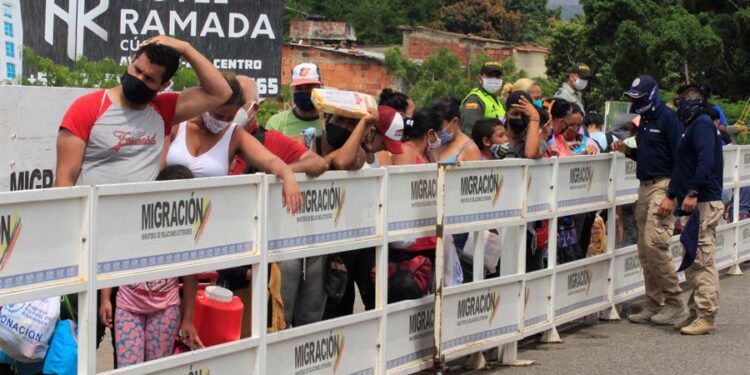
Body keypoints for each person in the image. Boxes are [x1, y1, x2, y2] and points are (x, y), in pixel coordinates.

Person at [54, 35, 231, 354]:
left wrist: (185, 48)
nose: (138, 79)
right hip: (92, 244)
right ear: (130, 62)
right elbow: (64, 181)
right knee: (79, 345)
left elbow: (221, 92)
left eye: (149, 78)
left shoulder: (163, 108)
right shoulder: (87, 108)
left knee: (134, 360)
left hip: (140, 251)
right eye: (136, 69)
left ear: (163, 85)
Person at [221, 76, 327, 332]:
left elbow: (317, 163)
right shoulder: (206, 137)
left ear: (253, 109)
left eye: (235, 102)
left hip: (254, 263)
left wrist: (283, 170)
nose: (223, 109)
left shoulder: (269, 141)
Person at [101, 165, 201, 367]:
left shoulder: (186, 231)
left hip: (165, 310)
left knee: (157, 370)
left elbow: (191, 277)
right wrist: (105, 298)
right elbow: (113, 258)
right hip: (128, 307)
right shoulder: (137, 219)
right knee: (128, 369)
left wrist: (188, 319)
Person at [164, 72, 302, 213]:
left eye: (229, 118)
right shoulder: (177, 124)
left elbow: (270, 160)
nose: (222, 121)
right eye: (218, 115)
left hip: (209, 216)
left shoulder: (234, 134)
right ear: (205, 102)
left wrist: (288, 175)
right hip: (165, 210)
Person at [612, 74, 688, 326]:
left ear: (651, 94)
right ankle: (654, 303)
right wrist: (628, 151)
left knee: (655, 244)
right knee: (644, 250)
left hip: (663, 185)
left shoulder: (668, 119)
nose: (636, 102)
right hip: (645, 186)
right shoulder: (643, 120)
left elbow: (681, 159)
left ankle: (676, 302)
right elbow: (649, 155)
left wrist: (672, 195)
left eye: (639, 97)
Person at [320, 106, 404, 318]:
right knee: (338, 305)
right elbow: (342, 161)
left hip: (362, 237)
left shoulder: (362, 153)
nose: (383, 148)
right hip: (333, 239)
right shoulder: (314, 142)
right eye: (382, 142)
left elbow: (342, 161)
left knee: (374, 299)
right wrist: (363, 123)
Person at [668, 84, 724, 335]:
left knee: (701, 259)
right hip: (694, 201)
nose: (677, 106)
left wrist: (692, 192)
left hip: (702, 200)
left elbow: (706, 160)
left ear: (690, 102)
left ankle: (706, 314)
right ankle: (695, 312)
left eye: (680, 101)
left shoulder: (701, 124)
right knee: (693, 258)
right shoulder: (692, 126)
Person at [388, 108, 444, 302]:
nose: (440, 139)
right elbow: (405, 194)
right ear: (430, 133)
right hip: (408, 246)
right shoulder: (405, 151)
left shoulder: (429, 155)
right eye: (439, 133)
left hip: (429, 239)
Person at [265, 63, 323, 139]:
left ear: (320, 87)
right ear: (292, 89)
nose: (304, 92)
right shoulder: (277, 123)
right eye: (298, 88)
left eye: (309, 87)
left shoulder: (329, 123)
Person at [459, 62, 506, 134]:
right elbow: (469, 133)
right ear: (480, 78)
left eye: (497, 76)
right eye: (490, 76)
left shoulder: (495, 99)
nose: (494, 79)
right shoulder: (474, 100)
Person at [433, 97, 482, 163]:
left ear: (454, 122)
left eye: (439, 125)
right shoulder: (436, 144)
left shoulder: (470, 149)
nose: (436, 130)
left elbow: (473, 173)